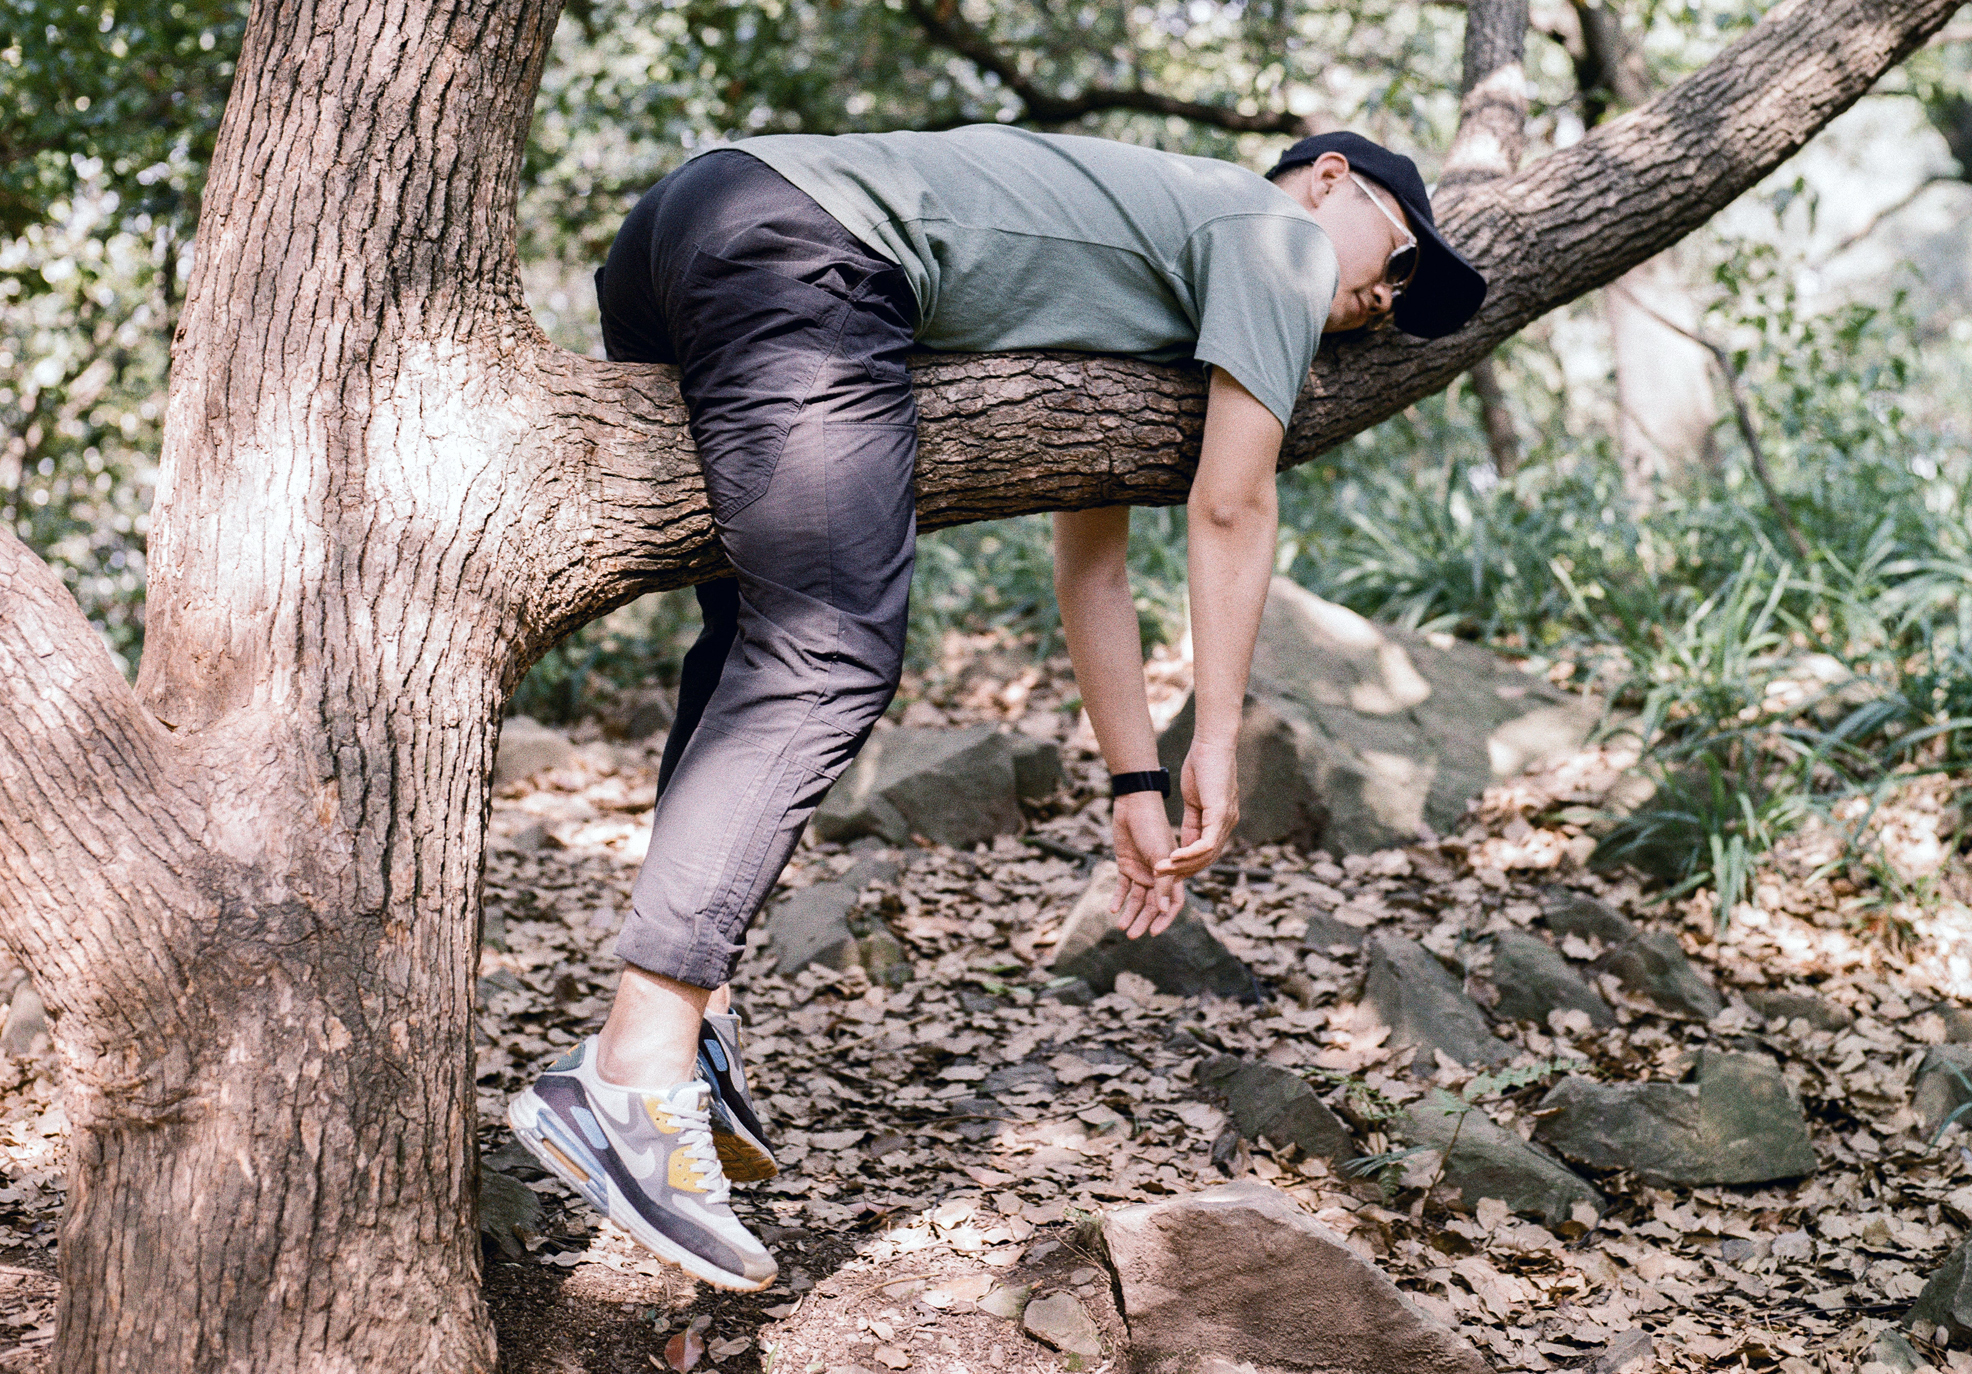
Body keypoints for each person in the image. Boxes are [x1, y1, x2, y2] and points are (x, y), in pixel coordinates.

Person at [508, 127, 1487, 1291]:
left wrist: (1134, 780)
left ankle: (691, 1021)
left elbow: (1094, 565)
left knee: (752, 641)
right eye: (1403, 258)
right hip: (806, 243)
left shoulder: (1154, 261)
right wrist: (1213, 736)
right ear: (1330, 178)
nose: (1385, 298)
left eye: (1401, 301)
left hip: (687, 224)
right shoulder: (1268, 233)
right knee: (829, 652)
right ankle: (628, 1072)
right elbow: (1231, 507)